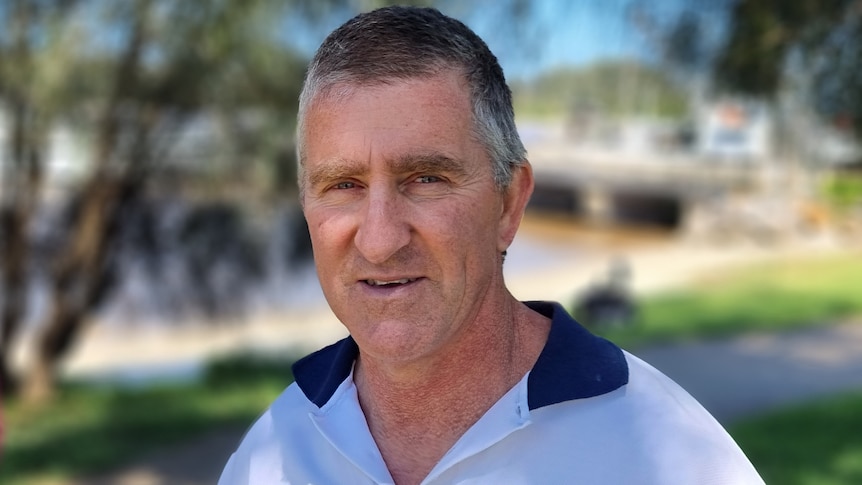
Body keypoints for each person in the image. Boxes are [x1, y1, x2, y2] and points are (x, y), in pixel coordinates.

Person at [219, 6, 764, 484]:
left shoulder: (669, 457)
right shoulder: (270, 456)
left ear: (509, 203)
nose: (381, 240)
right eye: (343, 185)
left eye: (427, 178)